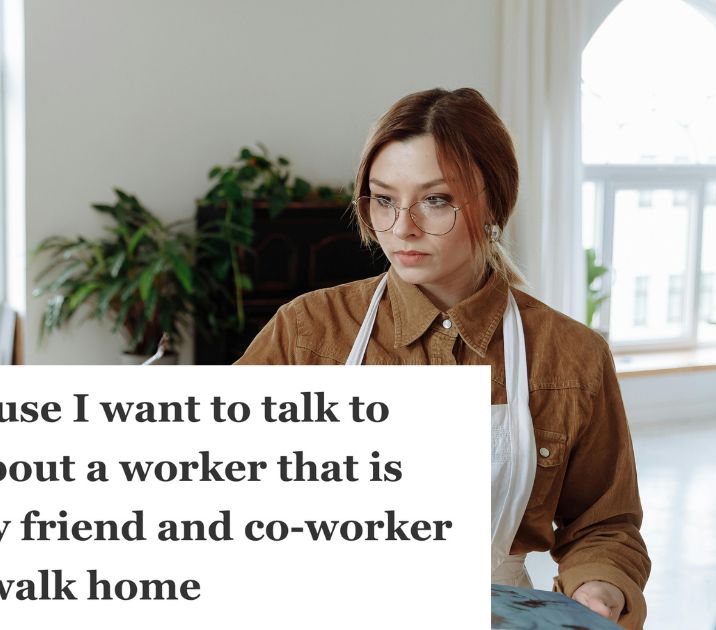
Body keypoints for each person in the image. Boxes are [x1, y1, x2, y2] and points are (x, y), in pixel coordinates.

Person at [236, 88, 651, 629]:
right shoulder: (308, 332)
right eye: (383, 199)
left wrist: (599, 591)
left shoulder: (570, 357)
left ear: (494, 201)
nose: (402, 227)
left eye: (436, 200)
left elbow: (605, 523)